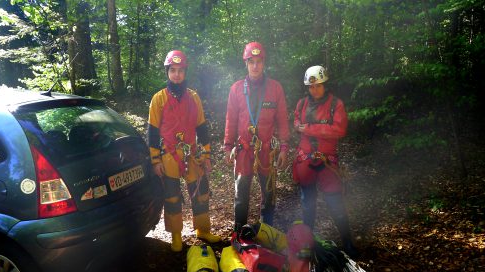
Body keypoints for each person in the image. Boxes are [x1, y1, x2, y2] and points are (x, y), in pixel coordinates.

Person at [147, 50, 220, 252]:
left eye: (180, 70)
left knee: (201, 191)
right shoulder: (158, 99)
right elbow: (152, 132)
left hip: (191, 152)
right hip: (169, 154)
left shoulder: (194, 98)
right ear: (167, 72)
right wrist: (155, 160)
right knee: (171, 195)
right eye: (173, 70)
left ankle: (203, 229)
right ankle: (176, 235)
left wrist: (206, 155)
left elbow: (202, 128)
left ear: (185, 72)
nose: (177, 74)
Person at [292, 65, 359, 258]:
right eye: (312, 87)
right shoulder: (301, 104)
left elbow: (339, 130)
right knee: (307, 202)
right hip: (305, 159)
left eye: (318, 86)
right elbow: (297, 124)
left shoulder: (335, 105)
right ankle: (307, 242)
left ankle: (347, 243)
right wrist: (304, 127)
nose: (315, 90)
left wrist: (309, 128)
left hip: (327, 159)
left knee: (335, 201)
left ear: (324, 84)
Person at [223, 41, 290, 232]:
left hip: (266, 151)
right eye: (251, 61)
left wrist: (284, 147)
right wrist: (228, 147)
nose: (255, 66)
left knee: (269, 193)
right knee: (241, 194)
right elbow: (231, 120)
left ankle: (265, 231)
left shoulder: (275, 88)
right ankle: (239, 233)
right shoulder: (236, 89)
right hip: (244, 149)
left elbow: (283, 121)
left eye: (259, 61)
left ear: (264, 63)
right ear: (246, 63)